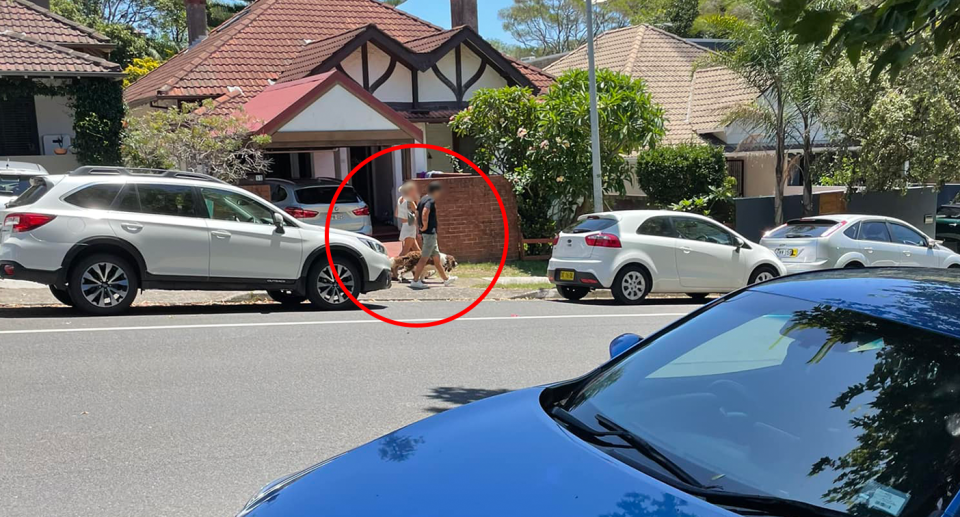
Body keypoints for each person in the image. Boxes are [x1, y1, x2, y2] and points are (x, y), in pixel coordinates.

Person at [410, 182, 456, 289]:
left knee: (436, 257)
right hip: (429, 233)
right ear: (435, 191)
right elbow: (425, 213)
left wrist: (419, 228)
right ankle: (415, 281)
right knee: (424, 258)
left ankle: (446, 279)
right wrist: (425, 226)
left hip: (428, 234)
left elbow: (416, 213)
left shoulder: (422, 199)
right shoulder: (430, 200)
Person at [395, 182, 420, 257]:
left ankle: (424, 266)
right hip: (410, 226)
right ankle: (394, 265)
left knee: (417, 250)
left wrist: (406, 215)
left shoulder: (400, 199)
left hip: (405, 225)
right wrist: (418, 200)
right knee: (405, 251)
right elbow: (418, 211)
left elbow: (396, 214)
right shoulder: (409, 200)